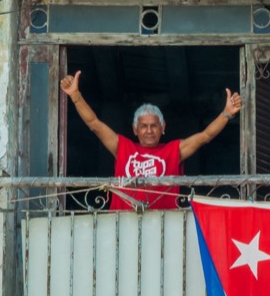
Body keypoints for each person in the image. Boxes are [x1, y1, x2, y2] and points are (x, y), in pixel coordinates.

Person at [59, 70, 243, 210]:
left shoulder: (173, 151)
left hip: (164, 227)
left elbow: (206, 136)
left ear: (163, 128)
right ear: (135, 130)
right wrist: (75, 95)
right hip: (121, 225)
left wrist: (226, 114)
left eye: (154, 126)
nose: (149, 131)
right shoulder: (123, 147)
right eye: (143, 126)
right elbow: (94, 124)